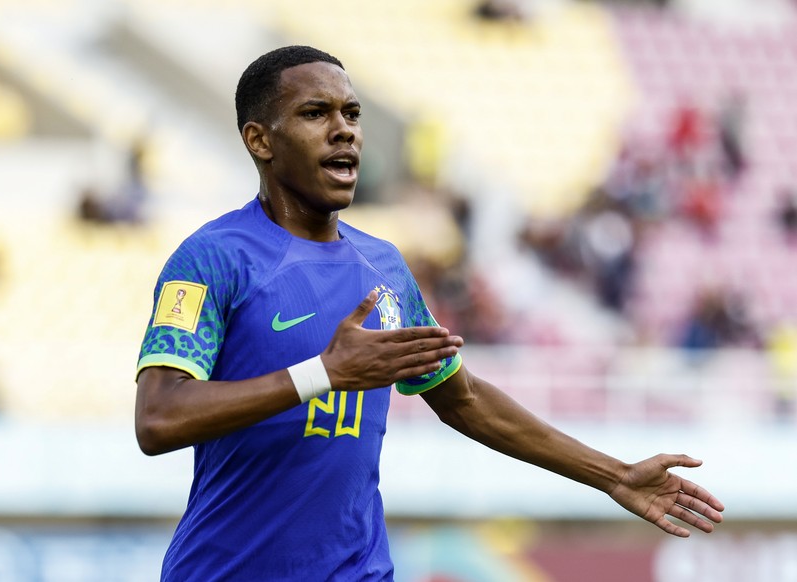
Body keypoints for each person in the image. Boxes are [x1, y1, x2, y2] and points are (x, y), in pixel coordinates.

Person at [134, 45, 724, 581]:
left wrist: (613, 474)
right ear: (260, 140)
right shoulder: (213, 258)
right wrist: (325, 373)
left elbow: (462, 398)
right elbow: (158, 420)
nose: (344, 131)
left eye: (353, 114)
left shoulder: (382, 265)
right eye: (317, 113)